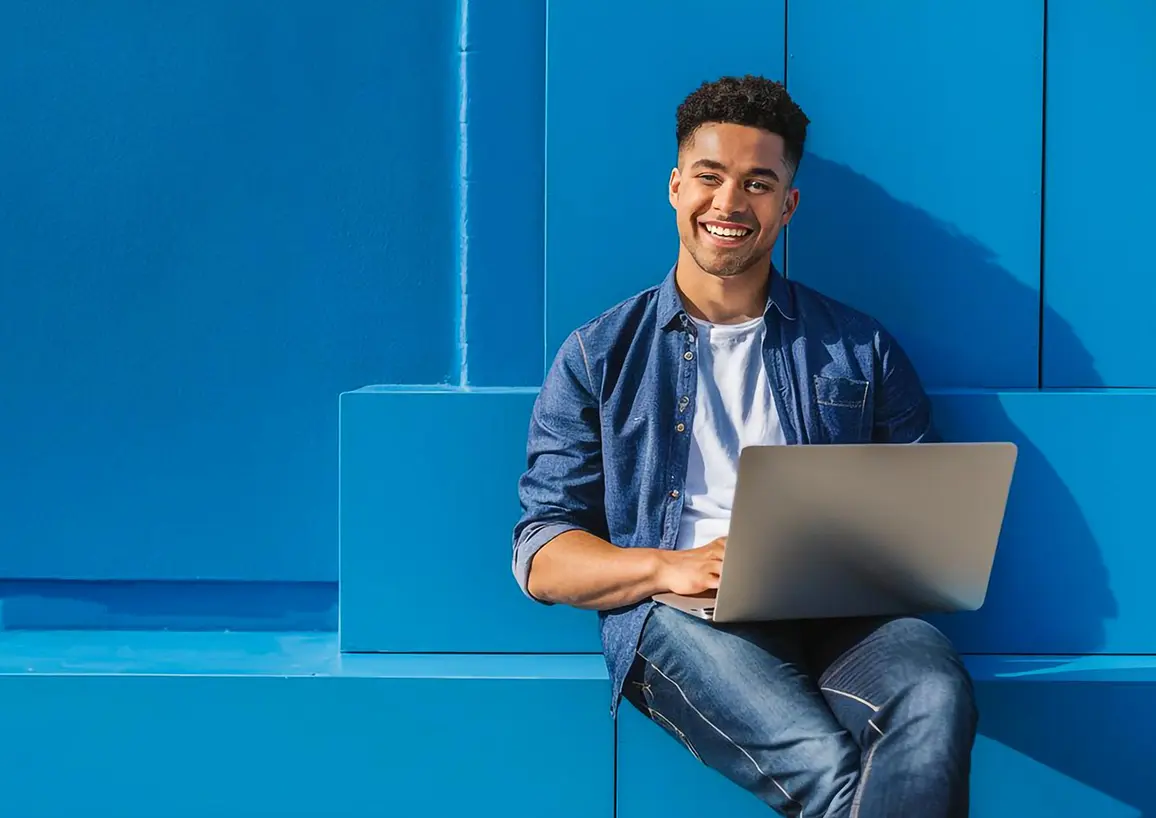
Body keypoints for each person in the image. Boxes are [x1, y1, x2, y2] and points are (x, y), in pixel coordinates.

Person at [510, 74, 977, 818]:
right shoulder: (598, 356)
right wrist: (677, 565)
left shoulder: (859, 346)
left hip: (848, 618)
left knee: (934, 695)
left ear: (787, 206)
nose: (729, 203)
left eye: (758, 183)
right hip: (682, 615)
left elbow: (933, 518)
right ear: (674, 187)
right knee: (829, 772)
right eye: (710, 176)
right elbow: (542, 554)